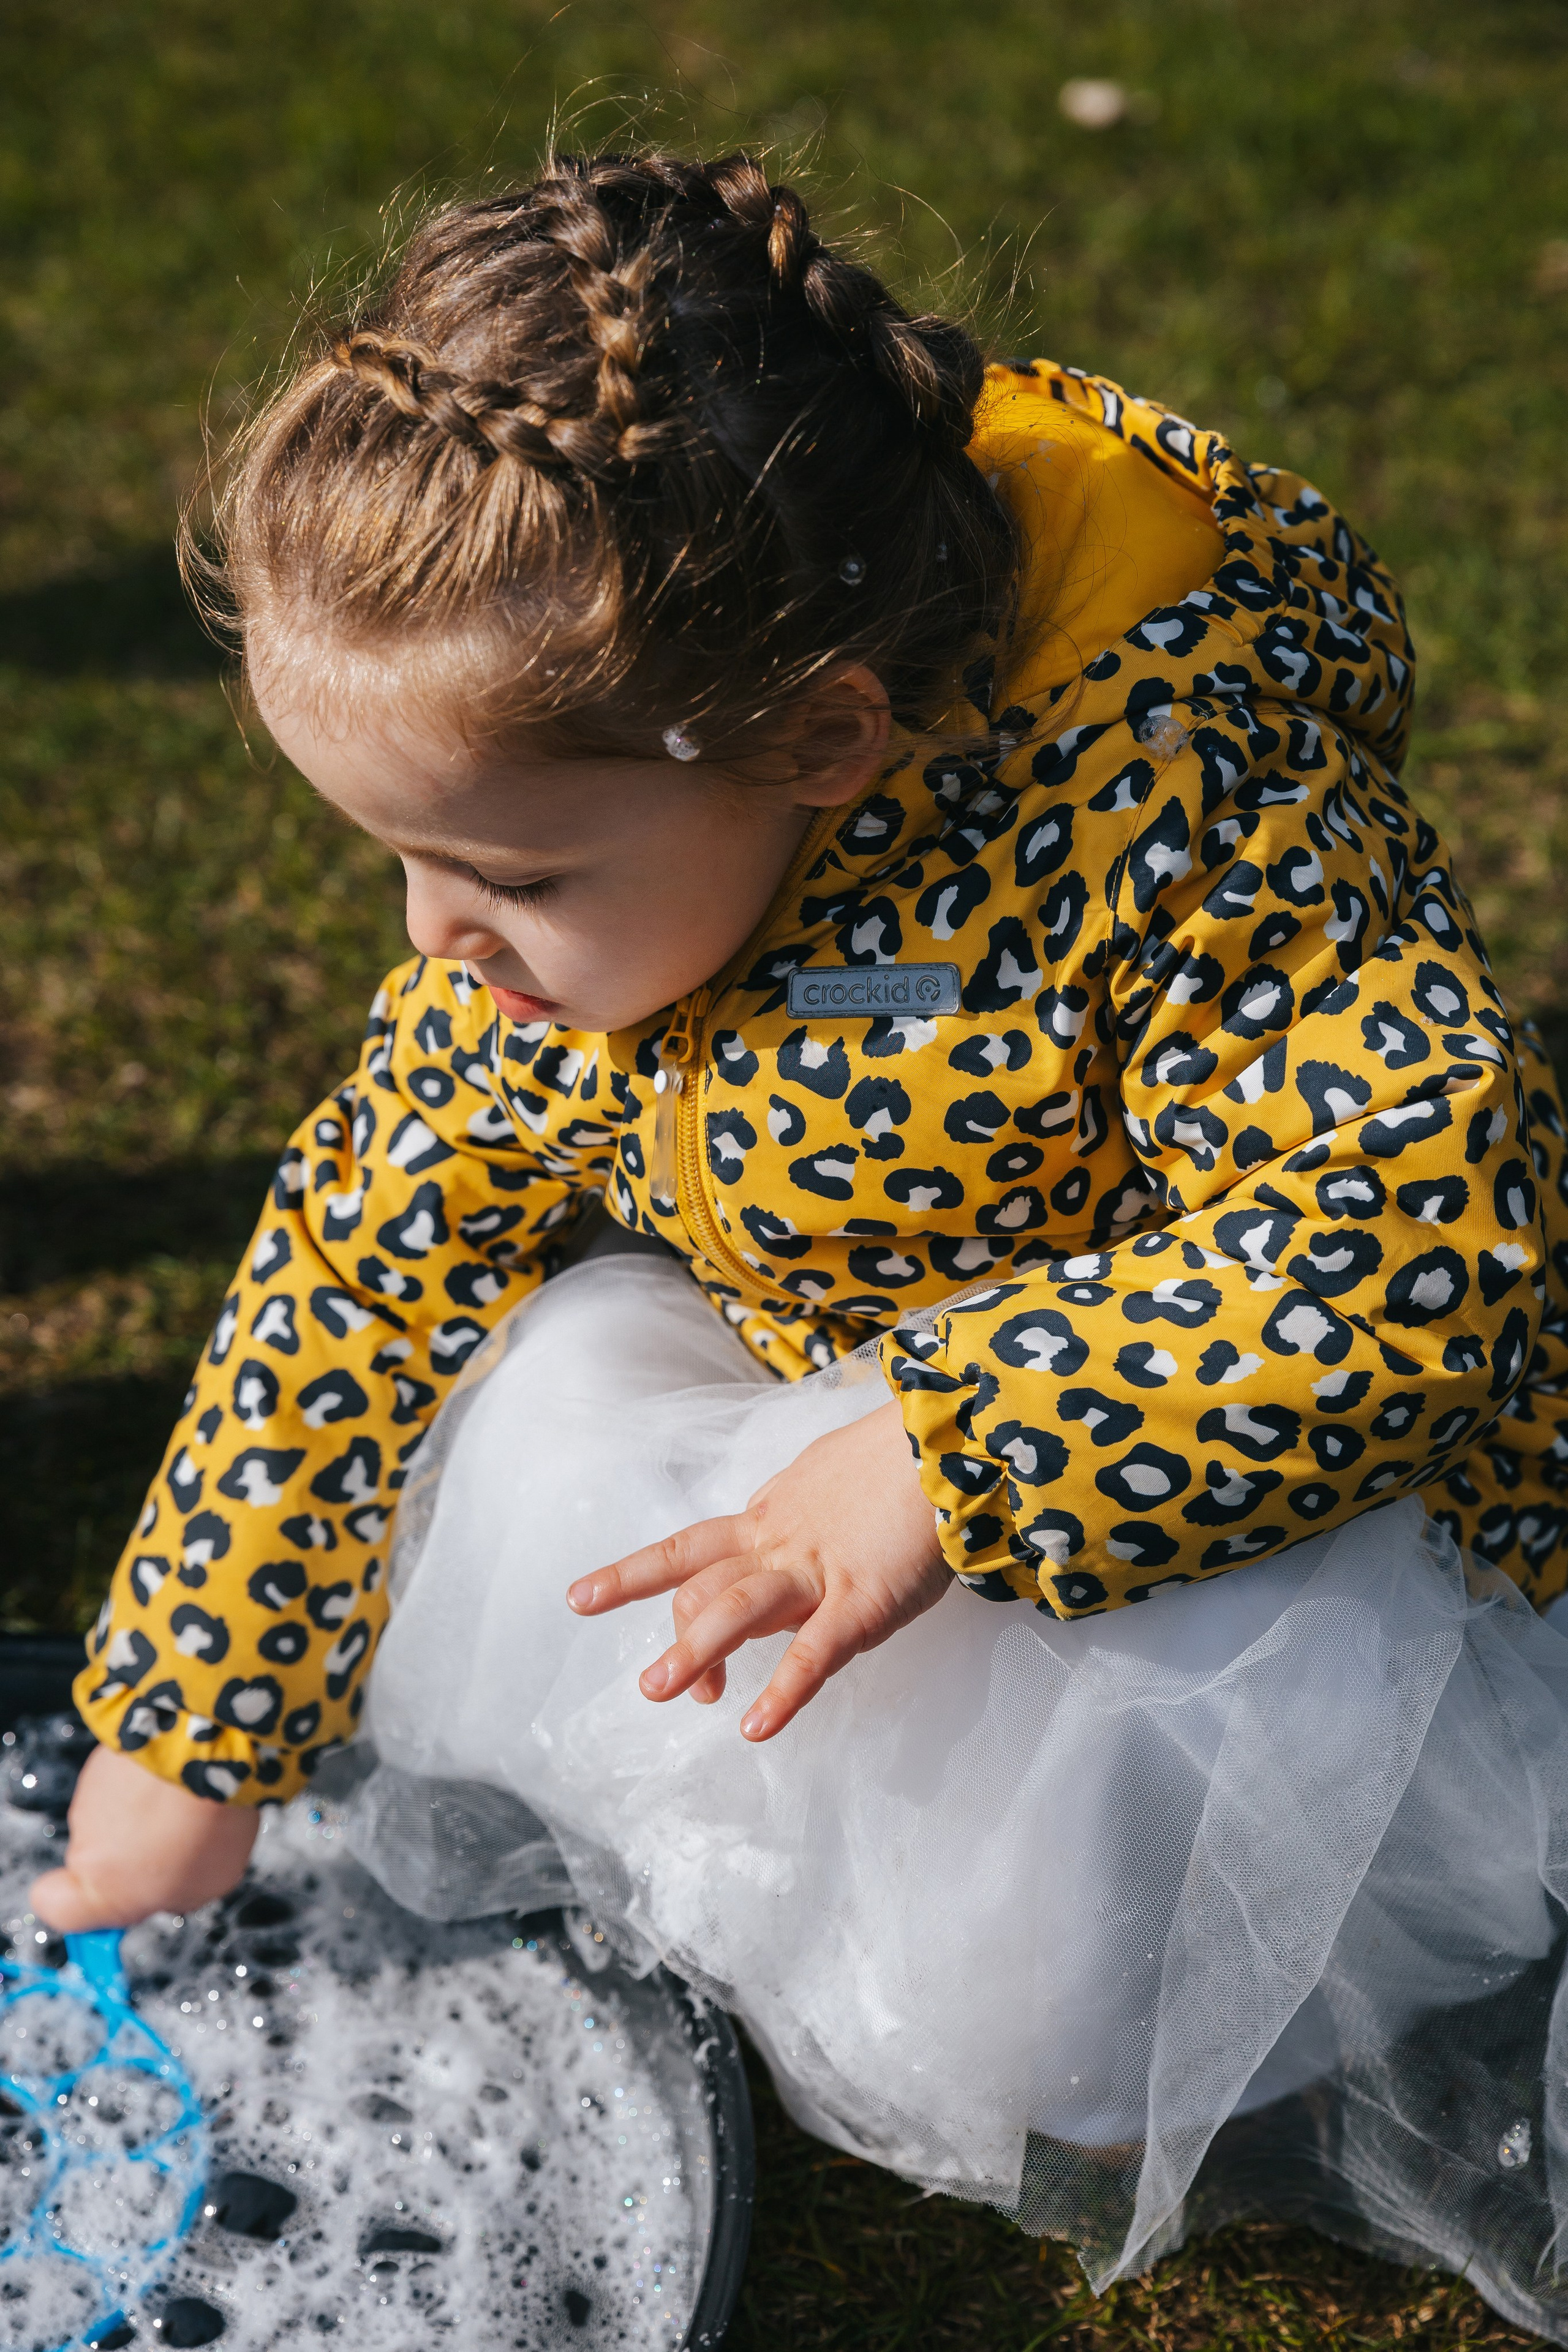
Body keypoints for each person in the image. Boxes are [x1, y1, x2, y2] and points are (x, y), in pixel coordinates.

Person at [32, 151, 1568, 2326]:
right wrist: (195, 1714)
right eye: (393, 858)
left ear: (825, 738)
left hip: (1222, 1516)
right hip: (860, 1402)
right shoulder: (585, 883)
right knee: (542, 1402)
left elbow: (1429, 1233)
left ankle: (1200, 2008)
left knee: (1045, 1993)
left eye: (513, 876)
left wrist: (957, 1447)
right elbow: (365, 1263)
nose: (435, 942)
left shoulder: (1180, 828)